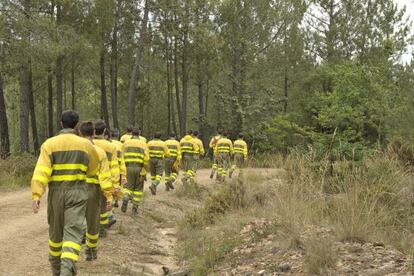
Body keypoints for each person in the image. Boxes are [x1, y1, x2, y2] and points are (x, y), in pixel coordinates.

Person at [31, 110, 99, 276]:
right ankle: (67, 269)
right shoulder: (86, 145)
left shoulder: (49, 144)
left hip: (56, 193)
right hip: (77, 193)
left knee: (56, 234)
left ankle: (56, 270)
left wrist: (36, 194)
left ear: (61, 124)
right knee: (73, 232)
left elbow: (41, 171)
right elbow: (93, 169)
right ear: (77, 125)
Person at [79, 121, 113, 261]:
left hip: (75, 189)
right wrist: (109, 196)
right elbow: (104, 176)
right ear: (94, 133)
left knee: (77, 219)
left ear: (80, 133)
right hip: (93, 190)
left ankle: (76, 244)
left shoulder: (76, 150)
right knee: (93, 222)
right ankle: (91, 250)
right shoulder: (99, 152)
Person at [93, 120, 123, 236]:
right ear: (105, 131)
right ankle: (101, 229)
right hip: (106, 180)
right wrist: (115, 185)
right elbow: (115, 167)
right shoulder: (111, 147)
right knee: (103, 206)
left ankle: (89, 228)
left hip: (89, 180)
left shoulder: (87, 144)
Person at [121, 127, 149, 215]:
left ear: (131, 134)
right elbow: (147, 159)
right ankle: (135, 208)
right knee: (138, 189)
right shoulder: (143, 144)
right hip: (139, 168)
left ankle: (126, 197)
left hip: (128, 167)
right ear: (139, 134)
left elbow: (121, 155)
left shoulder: (125, 143)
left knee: (127, 186)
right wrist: (144, 171)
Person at [110, 129, 126, 208]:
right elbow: (122, 157)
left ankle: (110, 201)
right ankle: (116, 200)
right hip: (118, 167)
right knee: (117, 184)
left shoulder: (108, 143)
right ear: (117, 135)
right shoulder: (120, 144)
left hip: (109, 167)